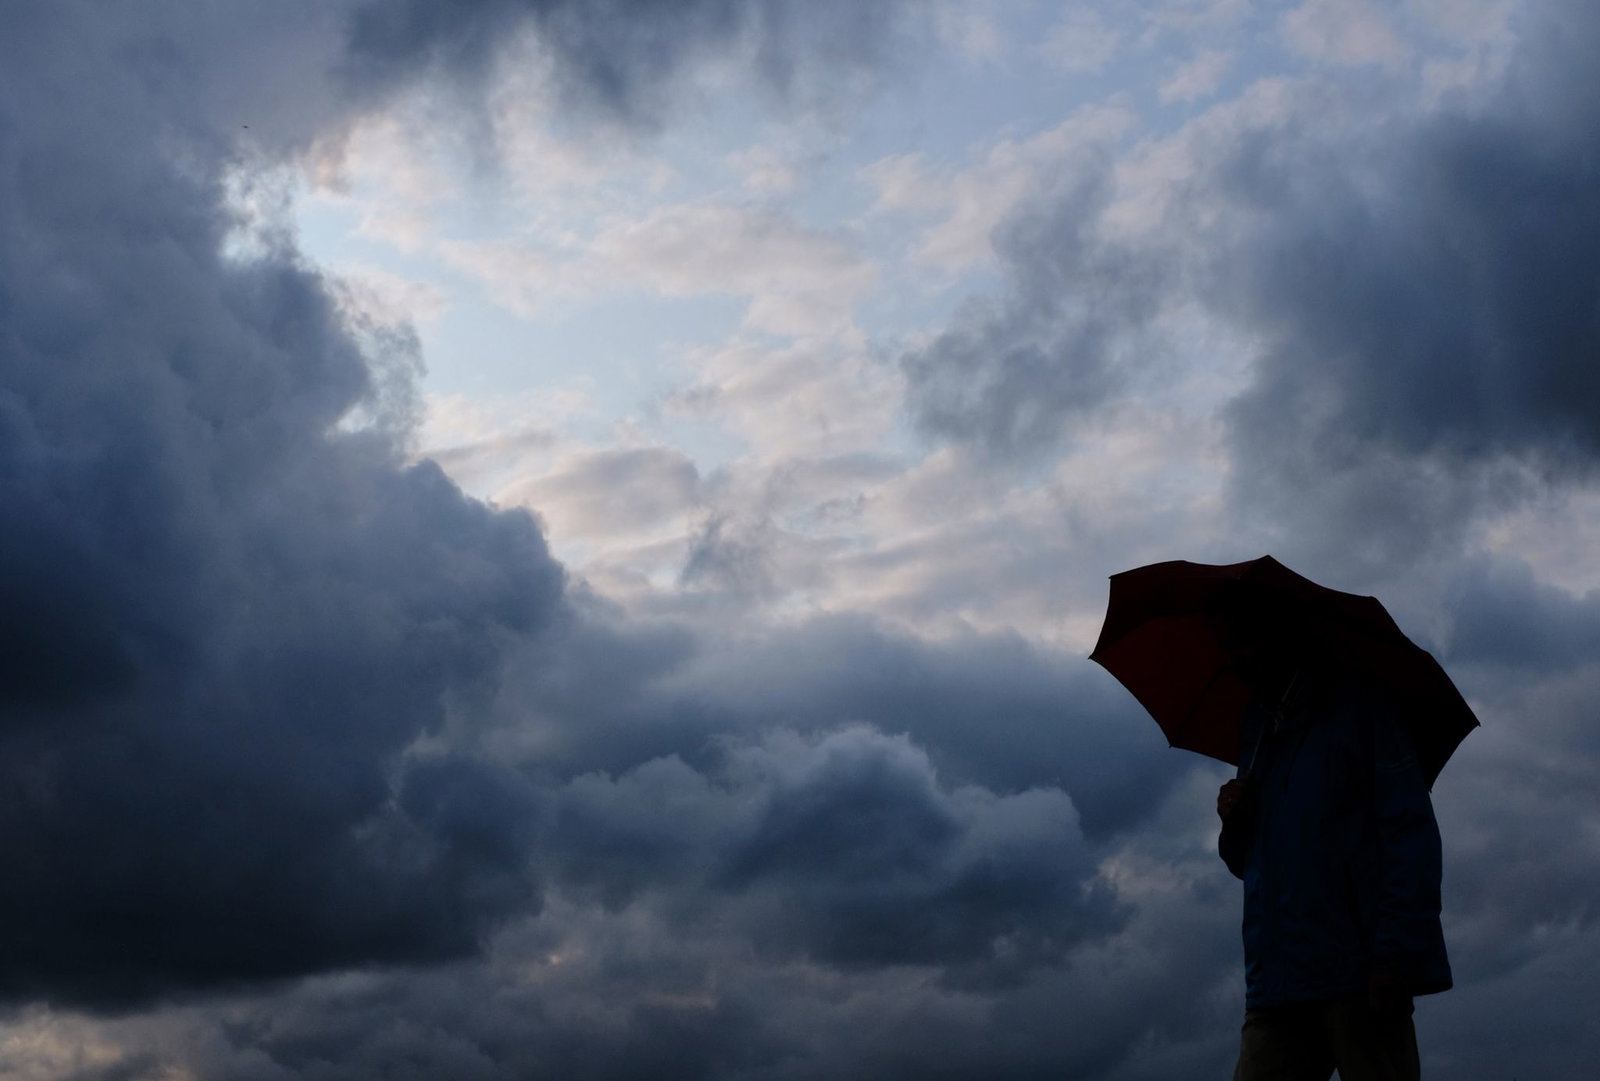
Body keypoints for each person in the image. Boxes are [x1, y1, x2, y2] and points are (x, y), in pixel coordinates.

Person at [1216, 626, 1452, 1081]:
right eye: (1229, 642)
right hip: (1277, 981)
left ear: (1278, 636)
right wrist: (1234, 821)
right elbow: (1247, 861)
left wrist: (1394, 956)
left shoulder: (1363, 710)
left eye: (1241, 639)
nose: (1232, 655)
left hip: (1362, 975)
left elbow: (1411, 836)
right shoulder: (1259, 728)